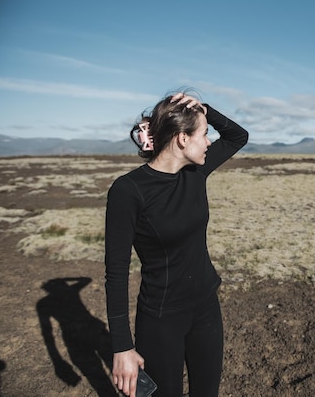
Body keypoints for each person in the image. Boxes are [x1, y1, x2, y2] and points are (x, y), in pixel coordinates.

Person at [104, 91, 249, 396]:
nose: (209, 141)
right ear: (183, 138)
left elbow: (238, 136)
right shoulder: (128, 190)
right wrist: (122, 348)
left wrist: (204, 109)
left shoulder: (196, 172)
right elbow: (116, 272)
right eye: (204, 133)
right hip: (161, 319)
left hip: (206, 307)